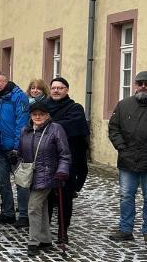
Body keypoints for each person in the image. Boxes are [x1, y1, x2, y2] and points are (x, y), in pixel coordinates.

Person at [107, 70, 147, 244]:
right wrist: (122, 148)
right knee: (126, 196)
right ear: (135, 85)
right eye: (140, 83)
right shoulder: (123, 105)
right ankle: (125, 229)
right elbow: (114, 129)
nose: (143, 86)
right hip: (127, 159)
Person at [20, 100, 71, 256]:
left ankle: (33, 242)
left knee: (33, 207)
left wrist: (62, 171)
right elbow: (21, 151)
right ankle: (46, 239)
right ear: (30, 115)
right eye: (34, 114)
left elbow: (64, 154)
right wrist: (15, 158)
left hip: (49, 174)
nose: (37, 117)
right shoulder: (26, 130)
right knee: (41, 207)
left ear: (47, 115)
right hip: (31, 175)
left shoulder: (55, 129)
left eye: (41, 114)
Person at [43, 77, 89, 243]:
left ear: (66, 90)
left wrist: (49, 125)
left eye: (60, 88)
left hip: (66, 159)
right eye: (54, 87)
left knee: (65, 198)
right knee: (45, 197)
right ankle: (44, 231)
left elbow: (74, 127)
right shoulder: (43, 107)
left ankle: (63, 231)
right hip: (45, 159)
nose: (56, 90)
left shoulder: (75, 108)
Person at [0, 71, 30, 228]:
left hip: (15, 148)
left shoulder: (18, 97)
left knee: (21, 182)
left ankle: (24, 214)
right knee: (2, 181)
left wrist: (17, 147)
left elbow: (22, 123)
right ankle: (8, 212)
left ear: (6, 80)